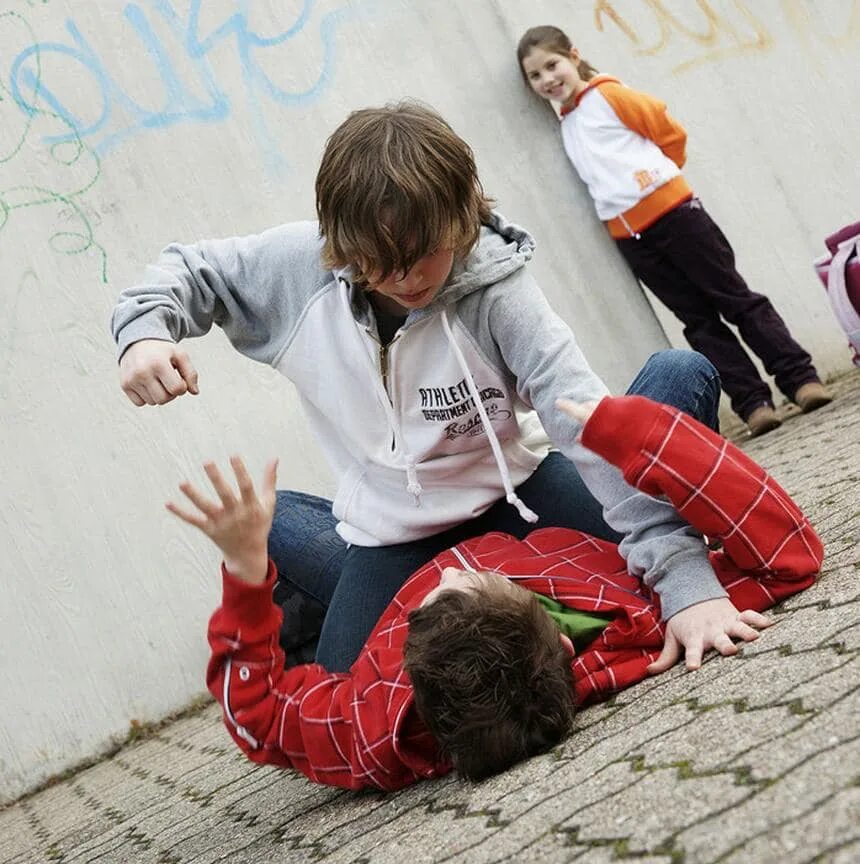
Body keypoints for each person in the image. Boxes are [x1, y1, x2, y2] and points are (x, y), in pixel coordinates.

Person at [113, 101, 729, 675]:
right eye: (375, 260)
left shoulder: (496, 287)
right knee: (350, 687)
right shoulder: (300, 268)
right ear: (339, 241)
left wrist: (684, 584)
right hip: (396, 532)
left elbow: (582, 418)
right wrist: (144, 334)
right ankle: (385, 591)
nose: (403, 278)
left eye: (422, 254)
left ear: (460, 222)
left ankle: (490, 595)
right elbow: (191, 269)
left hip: (521, 494)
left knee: (678, 392)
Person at [165, 395, 823, 790]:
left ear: (409, 662)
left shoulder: (377, 726)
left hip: (394, 558)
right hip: (542, 521)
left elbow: (261, 718)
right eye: (474, 586)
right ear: (559, 636)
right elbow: (791, 560)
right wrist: (627, 433)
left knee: (265, 513)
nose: (453, 570)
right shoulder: (639, 628)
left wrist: (248, 574)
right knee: (676, 373)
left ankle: (308, 615)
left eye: (435, 602)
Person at [517, 26, 833, 437]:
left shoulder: (609, 95)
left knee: (736, 300)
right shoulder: (568, 123)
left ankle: (800, 379)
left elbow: (669, 133)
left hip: (677, 217)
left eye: (552, 65)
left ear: (574, 56)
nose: (547, 79)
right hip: (633, 239)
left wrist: (661, 184)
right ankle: (753, 403)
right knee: (698, 322)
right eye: (535, 76)